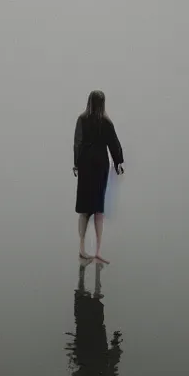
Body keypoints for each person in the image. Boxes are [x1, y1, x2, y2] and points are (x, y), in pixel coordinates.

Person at [65, 260, 123, 376]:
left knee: (92, 299)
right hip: (91, 334)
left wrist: (115, 342)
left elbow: (112, 361)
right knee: (90, 298)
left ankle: (89, 270)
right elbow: (112, 361)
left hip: (88, 334)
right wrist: (115, 342)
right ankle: (89, 270)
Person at [73, 90, 125, 263]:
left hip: (86, 165)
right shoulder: (105, 122)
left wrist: (76, 163)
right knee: (98, 209)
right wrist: (118, 163)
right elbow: (114, 144)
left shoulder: (82, 120)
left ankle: (82, 248)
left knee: (85, 209)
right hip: (99, 165)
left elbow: (78, 143)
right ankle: (98, 250)